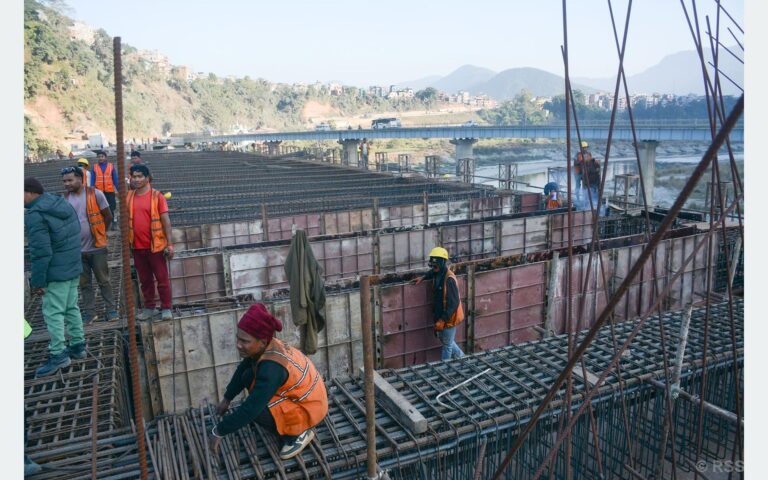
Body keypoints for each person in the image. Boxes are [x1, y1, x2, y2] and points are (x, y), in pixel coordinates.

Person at [210, 304, 328, 460]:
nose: (238, 345)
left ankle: (298, 435)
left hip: (309, 407)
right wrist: (227, 398)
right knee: (247, 375)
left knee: (257, 412)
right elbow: (243, 368)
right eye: (238, 338)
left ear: (262, 342)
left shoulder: (272, 368)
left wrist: (219, 431)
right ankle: (286, 423)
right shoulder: (266, 346)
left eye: (245, 341)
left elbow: (251, 409)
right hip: (302, 396)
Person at [24, 177, 85, 377]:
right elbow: (76, 232)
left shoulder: (35, 214)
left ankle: (58, 354)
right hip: (72, 267)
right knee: (71, 307)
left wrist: (38, 282)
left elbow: (40, 252)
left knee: (53, 313)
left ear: (30, 192)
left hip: (55, 272)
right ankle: (78, 346)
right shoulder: (60, 202)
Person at [62, 166, 118, 323]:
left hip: (97, 247)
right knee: (84, 283)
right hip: (77, 250)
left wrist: (100, 233)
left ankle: (111, 310)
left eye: (70, 180)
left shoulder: (95, 194)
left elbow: (108, 216)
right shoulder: (65, 199)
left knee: (104, 280)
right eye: (64, 181)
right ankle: (90, 312)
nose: (67, 184)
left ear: (80, 179)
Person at [127, 164, 174, 321]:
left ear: (147, 178)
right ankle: (150, 308)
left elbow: (166, 222)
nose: (137, 179)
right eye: (134, 176)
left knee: (162, 279)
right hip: (137, 247)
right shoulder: (129, 197)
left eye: (140, 176)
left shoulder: (157, 196)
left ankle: (166, 307)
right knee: (145, 281)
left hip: (156, 247)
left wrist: (170, 244)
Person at [414, 247, 465, 360]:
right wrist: (423, 277)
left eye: (435, 265)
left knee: (447, 346)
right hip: (440, 315)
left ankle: (445, 368)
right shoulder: (438, 272)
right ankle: (462, 357)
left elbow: (454, 303)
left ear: (442, 262)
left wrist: (442, 320)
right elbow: (432, 272)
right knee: (447, 341)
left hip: (448, 318)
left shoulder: (449, 279)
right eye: (432, 265)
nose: (434, 268)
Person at [90, 150, 120, 223]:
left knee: (111, 207)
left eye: (102, 156)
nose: (100, 158)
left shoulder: (111, 166)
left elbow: (115, 179)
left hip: (110, 191)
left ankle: (112, 221)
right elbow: (92, 179)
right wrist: (92, 188)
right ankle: (103, 222)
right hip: (99, 192)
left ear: (105, 157)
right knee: (101, 207)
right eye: (99, 157)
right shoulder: (94, 167)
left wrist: (119, 189)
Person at [573, 141, 592, 208]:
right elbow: (575, 162)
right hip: (578, 172)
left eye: (586, 147)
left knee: (585, 186)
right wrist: (581, 161)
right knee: (578, 186)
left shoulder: (588, 154)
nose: (585, 149)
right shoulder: (577, 154)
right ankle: (577, 199)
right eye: (584, 147)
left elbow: (590, 162)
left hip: (585, 172)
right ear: (581, 148)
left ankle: (585, 199)